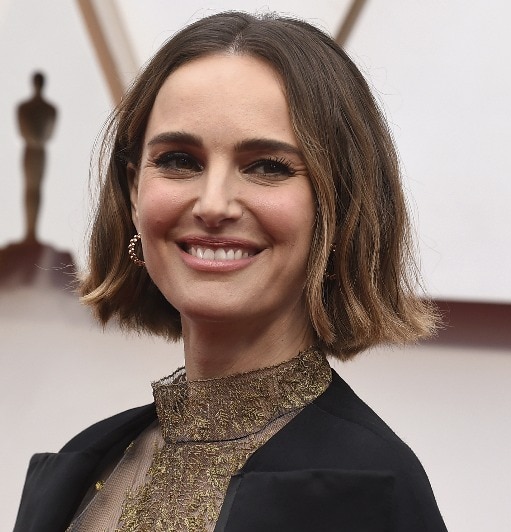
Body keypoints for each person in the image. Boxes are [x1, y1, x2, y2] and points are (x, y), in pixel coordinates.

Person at [13, 11, 446, 532]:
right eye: (178, 159)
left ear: (340, 204)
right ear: (133, 193)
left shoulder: (372, 489)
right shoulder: (83, 463)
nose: (213, 203)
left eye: (267, 166)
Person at [17, 71, 57, 243]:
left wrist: (37, 140)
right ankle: (29, 231)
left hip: (38, 152)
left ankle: (32, 231)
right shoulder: (24, 108)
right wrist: (36, 140)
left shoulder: (50, 110)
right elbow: (25, 132)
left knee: (36, 188)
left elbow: (48, 134)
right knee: (30, 188)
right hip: (32, 151)